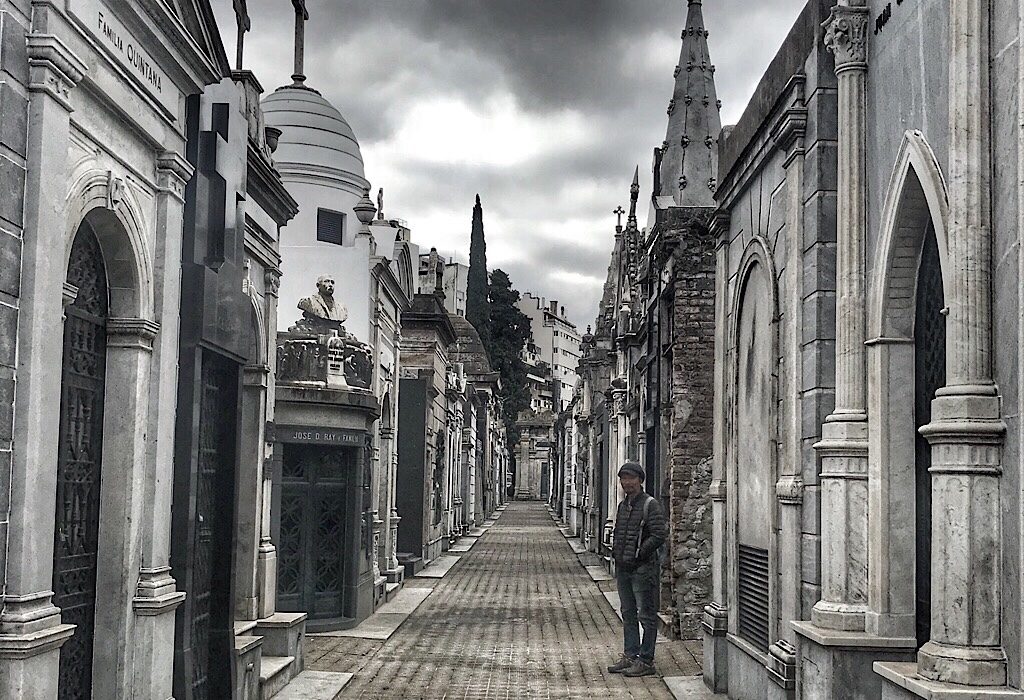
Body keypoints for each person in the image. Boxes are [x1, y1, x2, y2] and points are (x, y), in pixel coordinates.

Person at [607, 461, 667, 678]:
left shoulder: (651, 505)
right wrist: (617, 553)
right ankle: (630, 655)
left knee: (647, 615)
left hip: (643, 569)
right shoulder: (623, 506)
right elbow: (619, 531)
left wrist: (640, 553)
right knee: (628, 613)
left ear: (640, 480)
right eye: (623, 479)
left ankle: (646, 659)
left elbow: (659, 535)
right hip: (624, 568)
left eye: (631, 478)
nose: (627, 483)